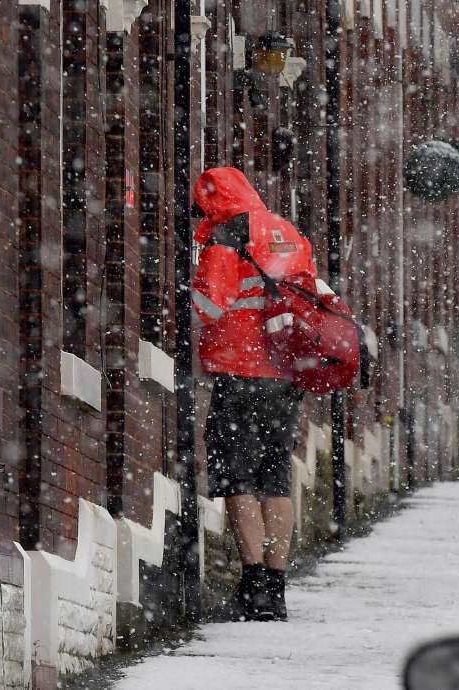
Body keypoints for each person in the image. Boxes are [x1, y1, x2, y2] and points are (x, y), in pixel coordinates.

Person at [191, 167, 317, 621]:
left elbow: (208, 306)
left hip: (239, 373)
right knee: (275, 477)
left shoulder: (226, 235)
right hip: (285, 374)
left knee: (238, 480)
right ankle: (278, 587)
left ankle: (255, 585)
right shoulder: (288, 231)